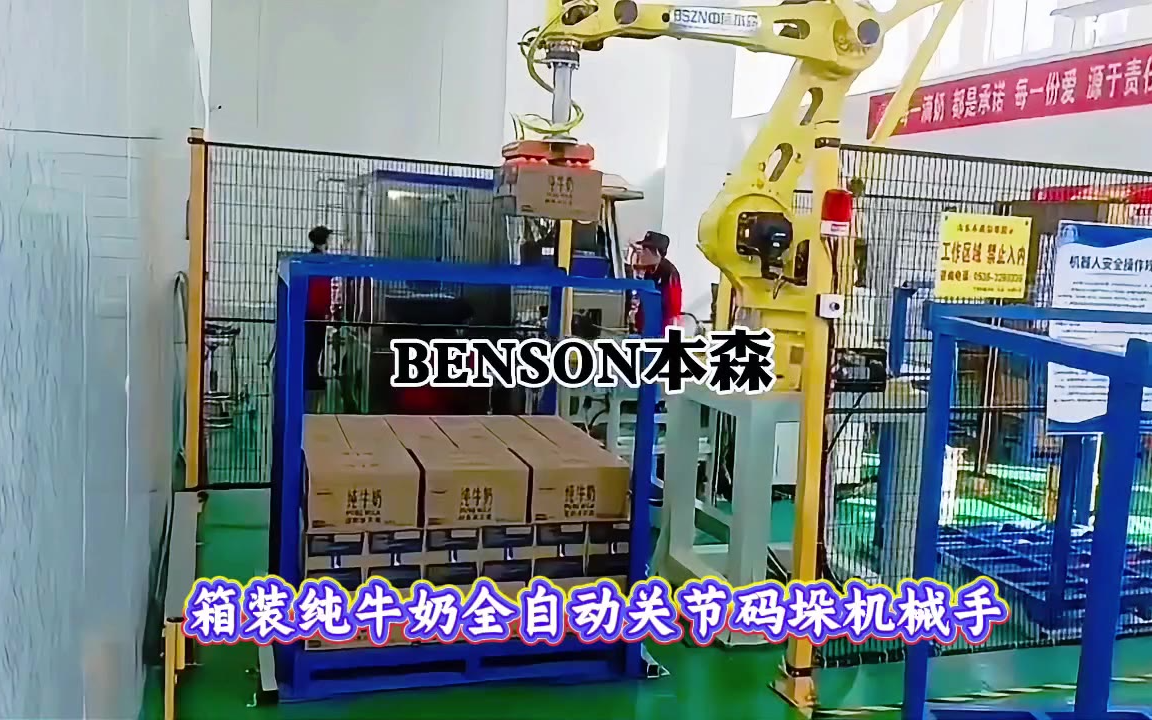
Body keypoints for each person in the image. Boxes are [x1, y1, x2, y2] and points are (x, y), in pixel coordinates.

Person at [630, 230, 682, 333]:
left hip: (660, 331)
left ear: (657, 252)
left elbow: (673, 311)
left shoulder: (670, 274)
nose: (642, 253)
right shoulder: (649, 270)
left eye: (646, 250)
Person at [304, 226, 332, 405]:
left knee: (312, 345)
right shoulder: (320, 261)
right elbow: (321, 288)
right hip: (317, 310)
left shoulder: (311, 259)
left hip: (312, 309)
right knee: (315, 346)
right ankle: (311, 377)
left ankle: (311, 374)